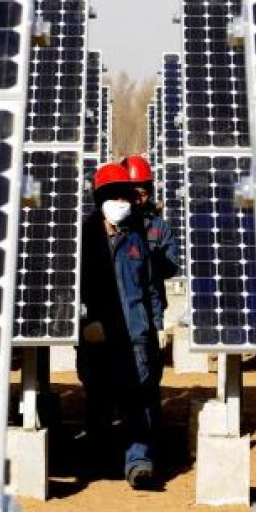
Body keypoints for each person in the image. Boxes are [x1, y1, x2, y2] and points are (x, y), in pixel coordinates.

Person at [76, 162, 164, 490]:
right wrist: (83, 322)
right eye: (113, 195)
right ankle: (99, 457)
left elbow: (151, 285)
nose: (121, 201)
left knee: (137, 398)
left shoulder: (137, 239)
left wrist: (156, 324)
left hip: (136, 332)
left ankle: (139, 462)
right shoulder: (83, 238)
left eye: (124, 195)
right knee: (97, 397)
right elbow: (71, 287)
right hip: (97, 333)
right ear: (100, 199)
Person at [121, 155, 181, 348]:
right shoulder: (110, 225)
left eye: (144, 193)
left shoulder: (159, 227)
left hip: (151, 311)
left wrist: (152, 260)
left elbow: (171, 266)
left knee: (150, 370)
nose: (138, 200)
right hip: (118, 309)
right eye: (133, 193)